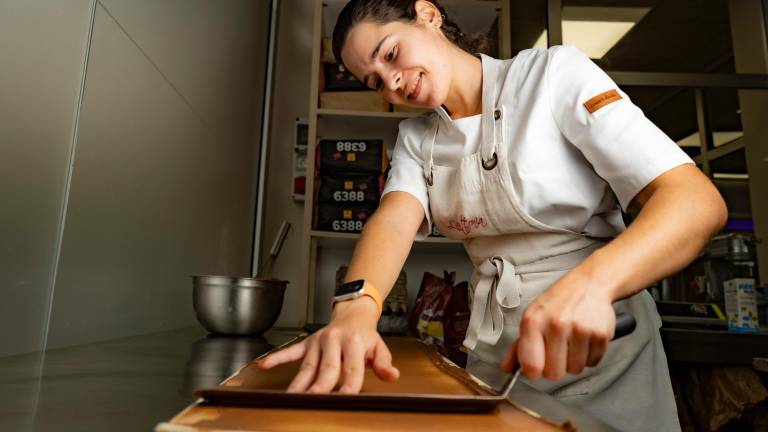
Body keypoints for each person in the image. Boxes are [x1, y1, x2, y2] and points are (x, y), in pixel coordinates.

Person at [258, 1, 727, 430]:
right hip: (498, 356)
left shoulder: (550, 75)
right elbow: (393, 219)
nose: (392, 82)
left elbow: (693, 202)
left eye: (391, 53)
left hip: (604, 348)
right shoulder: (418, 138)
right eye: (376, 81)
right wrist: (354, 311)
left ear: (428, 15)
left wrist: (592, 285)